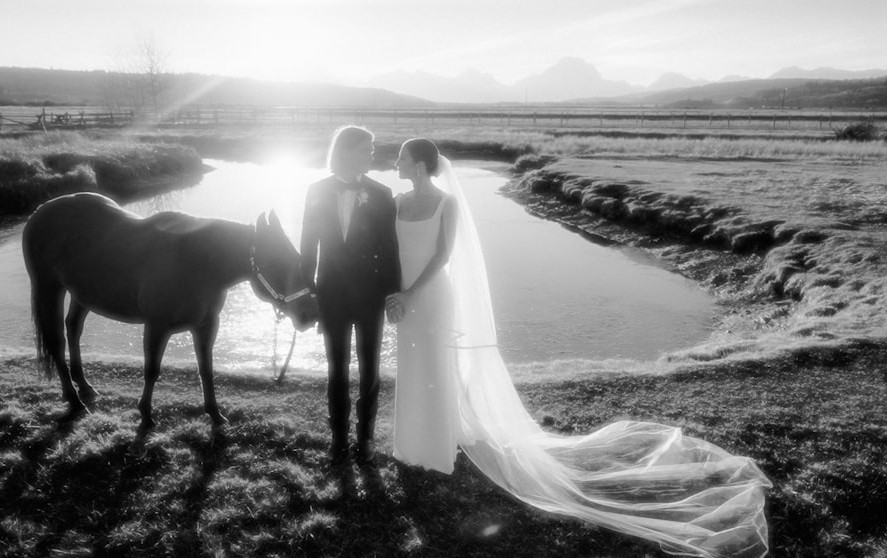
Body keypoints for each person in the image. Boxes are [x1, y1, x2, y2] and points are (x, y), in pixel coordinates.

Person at [386, 138, 773, 558]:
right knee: (412, 365)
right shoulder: (397, 201)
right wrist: (393, 293)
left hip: (430, 296)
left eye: (403, 157)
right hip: (402, 298)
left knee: (437, 367)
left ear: (421, 164)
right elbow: (389, 251)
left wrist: (411, 293)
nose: (397, 162)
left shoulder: (447, 204)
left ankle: (437, 447)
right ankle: (410, 442)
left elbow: (443, 255)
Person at [300, 125, 401, 466]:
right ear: (346, 151)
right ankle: (339, 440)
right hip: (330, 296)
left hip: (371, 296)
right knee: (337, 369)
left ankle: (366, 439)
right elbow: (307, 249)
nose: (372, 155)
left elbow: (390, 249)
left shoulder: (382, 193)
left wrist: (393, 295)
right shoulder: (316, 190)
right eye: (367, 149)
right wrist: (307, 295)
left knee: (370, 369)